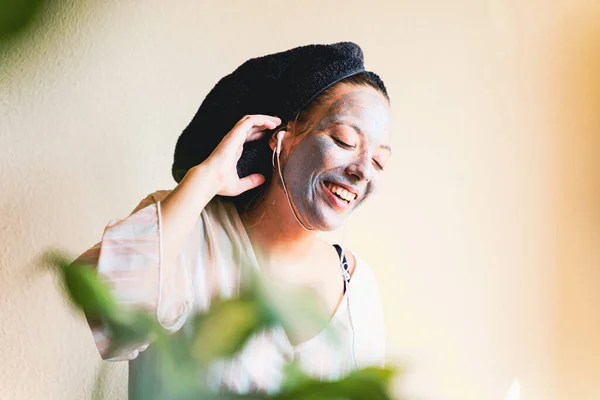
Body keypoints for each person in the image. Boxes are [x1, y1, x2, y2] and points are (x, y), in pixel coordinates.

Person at [74, 42, 392, 395]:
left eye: (379, 161)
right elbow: (104, 305)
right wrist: (205, 178)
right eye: (345, 140)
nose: (363, 170)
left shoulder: (358, 288)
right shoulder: (189, 232)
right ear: (281, 139)